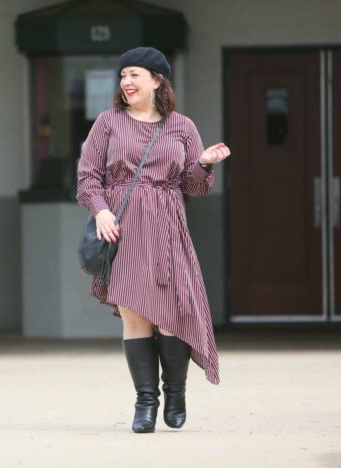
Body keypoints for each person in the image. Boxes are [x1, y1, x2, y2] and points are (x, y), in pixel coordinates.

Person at [76, 47, 231, 434]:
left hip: (166, 229)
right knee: (134, 315)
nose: (126, 82)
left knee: (173, 313)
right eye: (123, 75)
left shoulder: (181, 126)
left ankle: (175, 392)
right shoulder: (108, 123)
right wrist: (102, 211)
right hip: (123, 229)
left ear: (158, 79)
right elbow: (87, 177)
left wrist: (205, 162)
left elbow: (193, 186)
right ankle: (145, 402)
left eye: (135, 75)